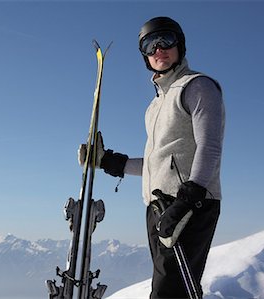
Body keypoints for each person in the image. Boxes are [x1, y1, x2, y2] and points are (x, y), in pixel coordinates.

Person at [78, 16, 225, 298]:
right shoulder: (155, 105)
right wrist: (110, 161)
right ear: (144, 55)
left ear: (180, 45)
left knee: (168, 292)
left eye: (166, 40)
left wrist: (187, 200)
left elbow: (210, 147)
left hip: (190, 206)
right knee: (175, 288)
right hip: (159, 208)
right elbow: (159, 164)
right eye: (149, 44)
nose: (159, 48)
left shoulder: (198, 86)